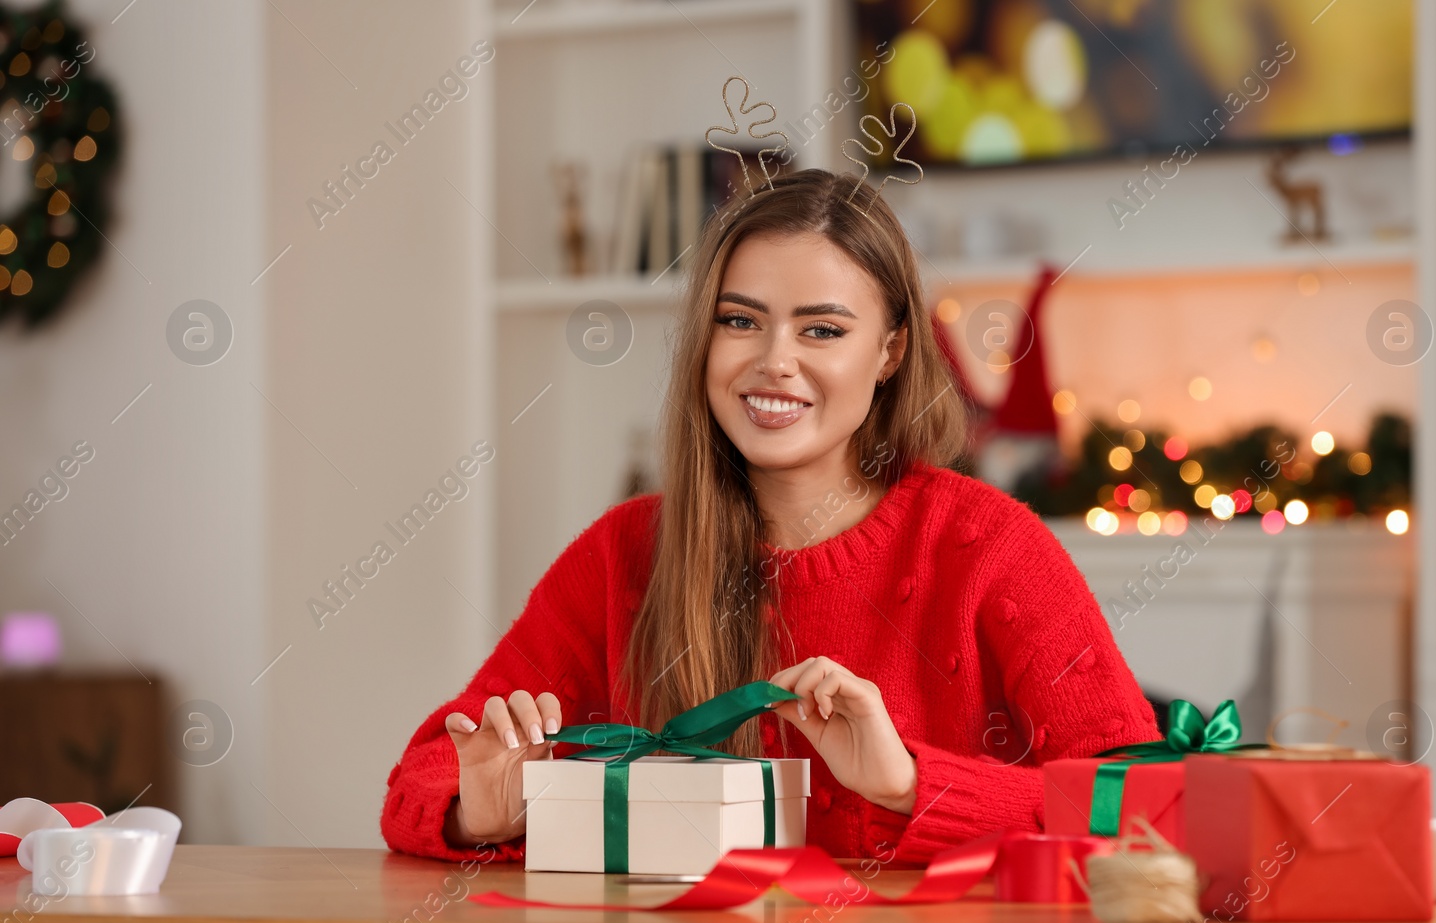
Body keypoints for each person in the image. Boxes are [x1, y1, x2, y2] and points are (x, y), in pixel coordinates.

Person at [381, 168, 1158, 867]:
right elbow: (421, 778)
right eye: (740, 321)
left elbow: (1144, 812)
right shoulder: (624, 552)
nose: (774, 360)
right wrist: (478, 812)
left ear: (889, 352)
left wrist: (908, 783)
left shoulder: (989, 543)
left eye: (822, 329)